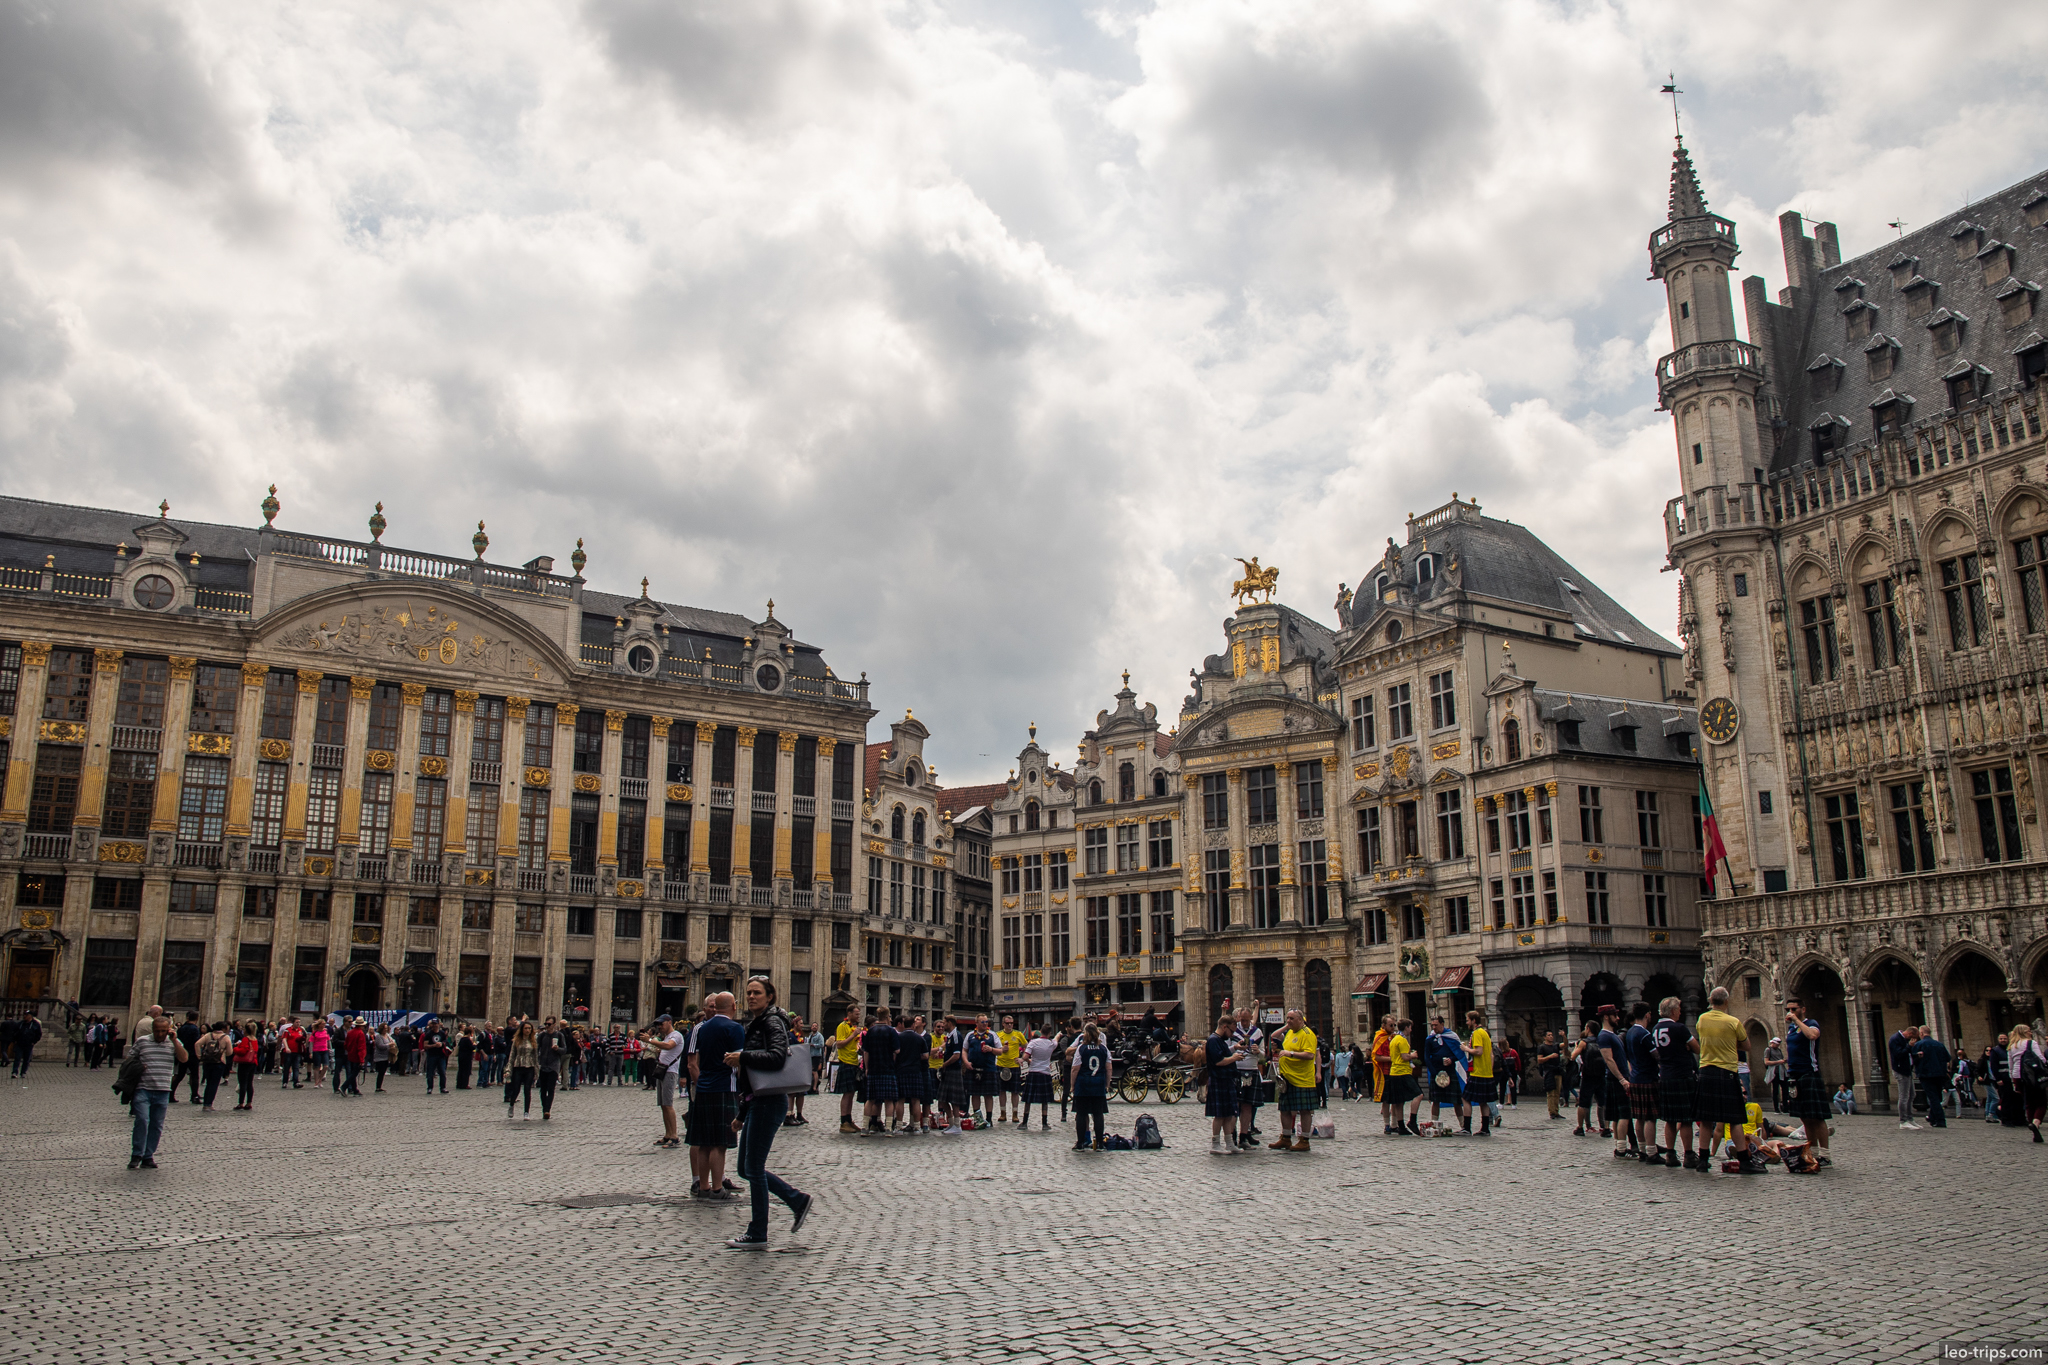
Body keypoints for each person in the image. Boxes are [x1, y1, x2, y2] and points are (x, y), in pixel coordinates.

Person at [721, 976, 813, 1249]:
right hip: (758, 1101)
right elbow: (754, 1078)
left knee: (753, 1168)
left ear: (769, 996)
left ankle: (758, 1231)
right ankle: (797, 1200)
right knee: (744, 1168)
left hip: (770, 1101)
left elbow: (776, 1057)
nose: (751, 997)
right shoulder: (760, 1022)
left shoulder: (772, 1022)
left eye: (757, 993)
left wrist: (744, 1056)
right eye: (748, 993)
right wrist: (742, 1113)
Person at [1696, 987, 1767, 1173]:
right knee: (1734, 1119)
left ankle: (1703, 1161)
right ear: (1726, 1002)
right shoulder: (1733, 1022)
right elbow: (1747, 1046)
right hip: (1726, 1072)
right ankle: (1744, 1161)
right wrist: (1729, 1041)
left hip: (1706, 1071)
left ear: (1711, 1001)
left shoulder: (1702, 1019)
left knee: (1705, 1119)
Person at [688, 994, 746, 1196]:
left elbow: (695, 1057)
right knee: (719, 1144)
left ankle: (703, 1186)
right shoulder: (734, 1028)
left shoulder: (702, 1028)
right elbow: (740, 1062)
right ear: (733, 1006)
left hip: (703, 1086)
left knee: (704, 1142)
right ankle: (717, 1188)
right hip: (724, 1086)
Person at [126, 1014, 187, 1169]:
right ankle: (137, 1154)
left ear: (168, 1030)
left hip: (163, 1089)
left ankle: (148, 1155)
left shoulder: (173, 1043)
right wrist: (137, 1067)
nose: (160, 1034)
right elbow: (129, 1059)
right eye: (157, 1031)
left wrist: (174, 1040)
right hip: (143, 1088)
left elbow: (184, 1058)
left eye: (163, 1031)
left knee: (156, 1124)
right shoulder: (142, 1042)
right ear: (152, 1030)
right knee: (142, 1120)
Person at [1651, 997, 1698, 1169]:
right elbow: (1697, 1048)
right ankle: (1689, 1155)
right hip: (1681, 1075)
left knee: (1670, 1119)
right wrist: (1687, 1046)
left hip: (1665, 1075)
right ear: (1672, 1011)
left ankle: (1670, 1154)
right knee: (1686, 1119)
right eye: (1678, 1009)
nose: (1680, 1011)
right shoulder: (1679, 1028)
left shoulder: (1655, 1028)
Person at [1782, 1000, 1831, 1165]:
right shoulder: (1791, 1029)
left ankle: (1825, 1155)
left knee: (1817, 1117)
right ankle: (1813, 1152)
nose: (1790, 1011)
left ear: (1802, 1009)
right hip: (1794, 1075)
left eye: (1793, 1009)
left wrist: (1796, 1020)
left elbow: (1812, 1035)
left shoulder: (1811, 1023)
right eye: (1788, 1009)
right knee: (1804, 1117)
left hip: (1809, 1073)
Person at [1270, 1009, 1319, 1152]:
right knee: (1284, 1109)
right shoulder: (1290, 1032)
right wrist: (1287, 1026)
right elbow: (1273, 1036)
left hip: (1302, 1078)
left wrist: (1290, 1054)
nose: (1288, 1021)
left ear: (1300, 1020)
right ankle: (1285, 1138)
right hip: (1287, 1078)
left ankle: (1304, 1140)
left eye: (1291, 1018)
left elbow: (1310, 1055)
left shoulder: (1307, 1034)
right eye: (1287, 1018)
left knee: (1304, 1110)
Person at [1623, 1002, 1660, 1163]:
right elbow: (1656, 1055)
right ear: (1647, 1015)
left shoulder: (1630, 1032)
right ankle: (1652, 1151)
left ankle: (1642, 1149)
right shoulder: (1644, 1034)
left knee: (1639, 1117)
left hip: (1635, 1077)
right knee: (1650, 1117)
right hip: (1647, 1077)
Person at [1203, 1015, 1244, 1154]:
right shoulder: (1213, 1040)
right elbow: (1218, 1061)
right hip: (1218, 1079)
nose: (1232, 1034)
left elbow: (1224, 1054)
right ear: (1224, 1026)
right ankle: (1215, 1144)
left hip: (1226, 1079)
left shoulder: (1220, 1040)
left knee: (1228, 1114)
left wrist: (1234, 1050)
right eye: (1231, 1031)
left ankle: (1229, 1143)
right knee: (1219, 1115)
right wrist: (1234, 1058)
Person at [1068, 1022, 1111, 1150]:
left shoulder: (1081, 1048)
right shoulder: (1104, 1048)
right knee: (1098, 1114)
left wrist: (1072, 1085)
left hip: (1083, 1084)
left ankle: (1080, 1142)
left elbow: (1075, 1068)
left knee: (1081, 1114)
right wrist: (1107, 1084)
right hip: (1098, 1084)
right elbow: (1109, 1067)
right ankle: (1099, 1143)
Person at [1423, 1015, 1466, 1137]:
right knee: (1435, 1100)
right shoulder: (1429, 1039)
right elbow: (1427, 1057)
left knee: (1456, 1100)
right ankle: (1434, 1124)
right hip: (1437, 1072)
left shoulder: (1452, 1036)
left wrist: (1451, 1060)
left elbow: (1459, 1052)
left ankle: (1463, 1125)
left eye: (1436, 1025)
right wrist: (1434, 1073)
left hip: (1450, 1071)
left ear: (1442, 1024)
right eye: (1432, 1025)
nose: (1434, 1027)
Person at [2006, 1022, 2047, 1143]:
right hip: (2031, 1075)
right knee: (2041, 1102)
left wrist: (2013, 1081)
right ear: (2024, 1032)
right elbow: (2041, 1058)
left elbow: (2011, 1065)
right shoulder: (2031, 1043)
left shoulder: (2011, 1046)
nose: (2030, 1032)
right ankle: (2036, 1123)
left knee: (2029, 1103)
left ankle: (2031, 1123)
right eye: (2028, 1030)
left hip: (2018, 1076)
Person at [650, 1014, 685, 1147]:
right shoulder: (667, 1036)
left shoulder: (676, 1035)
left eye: (661, 1024)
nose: (659, 1027)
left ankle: (674, 1136)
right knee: (663, 1104)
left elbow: (669, 1046)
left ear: (669, 1022)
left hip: (670, 1072)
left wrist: (651, 1041)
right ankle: (668, 1134)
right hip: (662, 1070)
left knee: (668, 1104)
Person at [1232, 1008, 1265, 1149]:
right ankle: (1231, 1136)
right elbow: (1227, 1048)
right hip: (1236, 1070)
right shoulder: (1233, 1031)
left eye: (1246, 1020)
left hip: (1252, 1070)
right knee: (1235, 1106)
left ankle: (1244, 1136)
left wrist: (1258, 1052)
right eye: (1242, 1019)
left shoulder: (1257, 1032)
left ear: (1251, 1017)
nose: (1244, 1023)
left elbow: (1264, 1058)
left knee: (1248, 1106)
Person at [1381, 1019, 1420, 1136]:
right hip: (1402, 1072)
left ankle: (1401, 1126)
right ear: (1406, 1027)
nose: (1411, 1030)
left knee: (1399, 1101)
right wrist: (1412, 1055)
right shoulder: (1402, 1040)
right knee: (1419, 1095)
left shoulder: (1393, 1039)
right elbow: (1404, 1056)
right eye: (1410, 1027)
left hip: (1394, 1072)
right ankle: (1412, 1121)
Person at [1908, 1028, 1952, 1129]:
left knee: (1933, 1098)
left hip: (1926, 1074)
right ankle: (1932, 1117)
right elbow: (1947, 1058)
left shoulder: (1919, 1045)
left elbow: (1913, 1059)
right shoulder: (1939, 1044)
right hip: (1940, 1074)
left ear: (1921, 1033)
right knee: (1937, 1096)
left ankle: (1941, 1120)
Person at [1464, 1011, 1497, 1137]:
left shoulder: (1477, 1033)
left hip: (1477, 1072)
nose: (1466, 1022)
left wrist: (1466, 1049)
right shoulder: (1485, 1033)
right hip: (1486, 1072)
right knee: (1484, 1101)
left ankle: (1466, 1127)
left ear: (1473, 1021)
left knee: (1466, 1098)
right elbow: (1490, 1054)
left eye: (1468, 1020)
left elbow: (1478, 1051)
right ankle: (1485, 1128)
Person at [833, 1007, 865, 1134]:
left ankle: (849, 1119)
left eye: (859, 1014)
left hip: (854, 1062)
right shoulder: (842, 1026)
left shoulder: (854, 1026)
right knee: (847, 1093)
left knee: (851, 1093)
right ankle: (844, 1121)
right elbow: (839, 1044)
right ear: (849, 1013)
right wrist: (853, 1035)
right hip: (846, 1062)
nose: (858, 1016)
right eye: (856, 1014)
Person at [965, 1016, 1000, 1129]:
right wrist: (966, 1062)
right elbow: (964, 1050)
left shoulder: (992, 1035)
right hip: (973, 1068)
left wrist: (991, 1049)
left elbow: (1000, 1051)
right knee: (974, 1094)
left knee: (988, 1094)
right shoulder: (970, 1035)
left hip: (988, 1068)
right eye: (983, 1021)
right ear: (976, 1023)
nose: (985, 1024)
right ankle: (978, 1118)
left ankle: (989, 1119)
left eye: (986, 1022)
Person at [1021, 1025, 1058, 1130]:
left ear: (1040, 1031)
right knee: (1044, 1100)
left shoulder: (1033, 1043)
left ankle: (1024, 1122)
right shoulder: (1051, 1044)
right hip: (1045, 1073)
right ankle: (1044, 1124)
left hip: (1033, 1072)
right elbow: (1056, 1040)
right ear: (1049, 1033)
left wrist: (1026, 1061)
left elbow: (1025, 1056)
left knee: (1028, 1099)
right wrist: (1058, 1035)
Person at [1888, 1024, 1921, 1129]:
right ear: (1910, 1034)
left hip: (1907, 1070)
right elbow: (1898, 1054)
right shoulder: (1895, 1039)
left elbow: (1907, 1055)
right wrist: (1909, 1047)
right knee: (1904, 1096)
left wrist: (1916, 1055)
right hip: (1900, 1070)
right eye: (1913, 1037)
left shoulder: (1905, 1040)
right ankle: (1903, 1121)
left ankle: (1910, 1118)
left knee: (1912, 1094)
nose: (1912, 1040)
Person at [505, 1020, 539, 1119]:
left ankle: (526, 1112)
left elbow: (535, 1057)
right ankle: (511, 1105)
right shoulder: (517, 1041)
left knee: (527, 1090)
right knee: (516, 1089)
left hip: (530, 1066)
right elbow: (512, 1056)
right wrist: (508, 1069)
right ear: (522, 1030)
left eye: (529, 1028)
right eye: (526, 1028)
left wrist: (537, 1071)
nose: (527, 1030)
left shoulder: (533, 1041)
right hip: (518, 1066)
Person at [994, 1015, 1026, 1123]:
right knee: (1001, 1091)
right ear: (1003, 1024)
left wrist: (1022, 1058)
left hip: (1014, 1066)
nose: (1010, 1025)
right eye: (1007, 1023)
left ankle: (1015, 1114)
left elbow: (1027, 1046)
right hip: (1001, 1065)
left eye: (1011, 1023)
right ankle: (1003, 1113)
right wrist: (1002, 1049)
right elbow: (994, 1048)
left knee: (1015, 1091)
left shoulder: (1018, 1034)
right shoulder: (998, 1035)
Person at [536, 1017, 569, 1120]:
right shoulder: (542, 1036)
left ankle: (547, 1110)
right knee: (542, 1089)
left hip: (553, 1065)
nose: (547, 1026)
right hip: (543, 1065)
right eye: (546, 1024)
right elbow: (537, 1048)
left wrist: (557, 1049)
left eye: (549, 1024)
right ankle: (544, 1107)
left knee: (551, 1089)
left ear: (554, 1024)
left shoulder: (559, 1035)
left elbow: (564, 1050)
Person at [196, 1021, 233, 1110]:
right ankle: (209, 1104)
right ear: (223, 1028)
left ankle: (205, 1103)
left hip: (207, 1061)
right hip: (219, 1062)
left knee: (208, 1083)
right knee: (214, 1083)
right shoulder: (226, 1037)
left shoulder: (208, 1035)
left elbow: (197, 1044)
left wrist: (199, 1056)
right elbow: (230, 1052)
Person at [172, 1011, 203, 1104]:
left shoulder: (182, 1028)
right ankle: (194, 1095)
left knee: (180, 1075)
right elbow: (196, 1042)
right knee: (194, 1076)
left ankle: (171, 1094)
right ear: (197, 1019)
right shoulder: (195, 1029)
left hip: (182, 1053)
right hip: (192, 1055)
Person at [231, 1021, 260, 1111]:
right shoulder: (254, 1039)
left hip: (245, 1063)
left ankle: (240, 1103)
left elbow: (243, 1051)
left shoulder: (246, 1039)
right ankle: (249, 1102)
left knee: (242, 1083)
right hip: (253, 1062)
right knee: (249, 1083)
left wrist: (235, 1048)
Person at [1536, 1031, 1563, 1120]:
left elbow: (1565, 1045)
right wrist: (1550, 1057)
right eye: (1549, 1035)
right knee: (1551, 1093)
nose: (1551, 1037)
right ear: (1544, 1037)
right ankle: (1552, 1112)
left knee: (1557, 1092)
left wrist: (1564, 1036)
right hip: (1548, 1071)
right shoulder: (1542, 1047)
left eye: (1552, 1035)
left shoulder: (1555, 1046)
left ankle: (1556, 1111)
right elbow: (1539, 1060)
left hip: (1557, 1070)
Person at [421, 1023, 450, 1094]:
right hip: (431, 1055)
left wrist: (442, 1044)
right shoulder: (428, 1034)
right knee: (430, 1072)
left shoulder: (442, 1033)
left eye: (436, 1024)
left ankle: (443, 1087)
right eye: (433, 1025)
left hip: (441, 1055)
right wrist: (434, 1045)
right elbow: (425, 1045)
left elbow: (446, 1042)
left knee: (442, 1072)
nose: (434, 1026)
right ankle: (430, 1088)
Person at [370, 1023, 394, 1093]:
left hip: (386, 1056)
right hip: (380, 1057)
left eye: (386, 1028)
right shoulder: (378, 1036)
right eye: (384, 1028)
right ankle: (378, 1087)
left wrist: (392, 1043)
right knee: (381, 1072)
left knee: (383, 1072)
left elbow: (393, 1041)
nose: (386, 1030)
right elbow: (380, 1046)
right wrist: (389, 1044)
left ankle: (380, 1086)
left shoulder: (387, 1036)